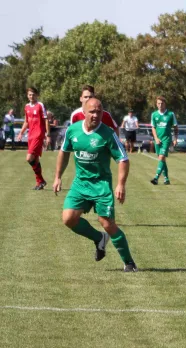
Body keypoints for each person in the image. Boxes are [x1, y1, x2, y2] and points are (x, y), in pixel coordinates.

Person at [53, 97, 137, 272]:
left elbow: (123, 159)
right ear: (83, 112)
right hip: (80, 184)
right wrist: (58, 177)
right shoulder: (73, 130)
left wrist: (121, 184)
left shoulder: (108, 134)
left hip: (101, 185)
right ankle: (99, 238)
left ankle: (129, 262)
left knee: (107, 223)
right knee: (68, 218)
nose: (96, 115)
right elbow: (64, 152)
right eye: (92, 111)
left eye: (99, 112)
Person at [16, 87, 50, 190]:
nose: (31, 96)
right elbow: (26, 121)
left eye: (33, 94)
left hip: (38, 134)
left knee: (29, 158)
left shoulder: (40, 105)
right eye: (30, 94)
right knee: (35, 159)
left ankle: (41, 180)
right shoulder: (26, 106)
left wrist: (47, 135)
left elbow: (46, 120)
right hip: (30, 134)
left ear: (37, 95)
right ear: (27, 96)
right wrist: (21, 133)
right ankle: (39, 182)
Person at [150, 96, 178, 185]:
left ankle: (156, 178)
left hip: (166, 139)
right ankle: (166, 179)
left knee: (161, 157)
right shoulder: (154, 114)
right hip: (158, 140)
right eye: (158, 103)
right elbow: (153, 127)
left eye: (162, 103)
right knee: (162, 160)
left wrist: (175, 138)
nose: (160, 105)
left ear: (165, 104)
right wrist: (156, 138)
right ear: (156, 104)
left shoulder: (170, 114)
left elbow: (176, 127)